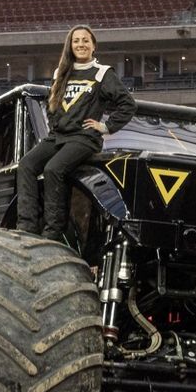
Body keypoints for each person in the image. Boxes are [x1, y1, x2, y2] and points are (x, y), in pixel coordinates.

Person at [16, 24, 136, 242]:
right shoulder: (61, 72)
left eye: (85, 40)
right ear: (70, 46)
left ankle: (53, 231)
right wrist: (56, 123)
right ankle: (26, 226)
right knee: (26, 165)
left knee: (53, 169)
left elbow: (128, 104)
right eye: (76, 41)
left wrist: (106, 127)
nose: (81, 44)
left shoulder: (102, 73)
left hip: (84, 138)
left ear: (93, 46)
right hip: (58, 136)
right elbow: (52, 105)